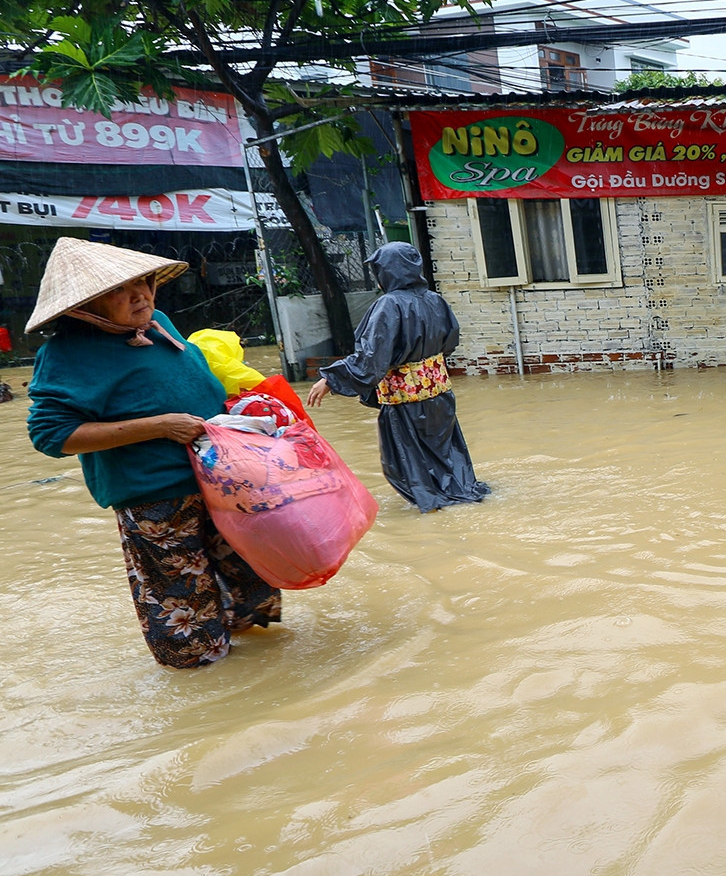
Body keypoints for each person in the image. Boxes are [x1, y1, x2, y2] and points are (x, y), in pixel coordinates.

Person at [24, 237, 280, 668]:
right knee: (184, 609)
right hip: (154, 497)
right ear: (86, 305)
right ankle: (207, 687)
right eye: (119, 290)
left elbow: (193, 382)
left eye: (143, 281)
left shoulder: (157, 323)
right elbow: (51, 435)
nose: (140, 294)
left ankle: (255, 667)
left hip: (221, 478)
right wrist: (159, 427)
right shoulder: (66, 353)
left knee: (255, 578)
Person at [305, 242, 490, 512]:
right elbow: (450, 342)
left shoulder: (388, 305)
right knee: (445, 456)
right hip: (439, 394)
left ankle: (435, 511)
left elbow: (371, 359)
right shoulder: (434, 299)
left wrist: (331, 379)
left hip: (405, 400)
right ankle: (456, 501)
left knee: (407, 465)